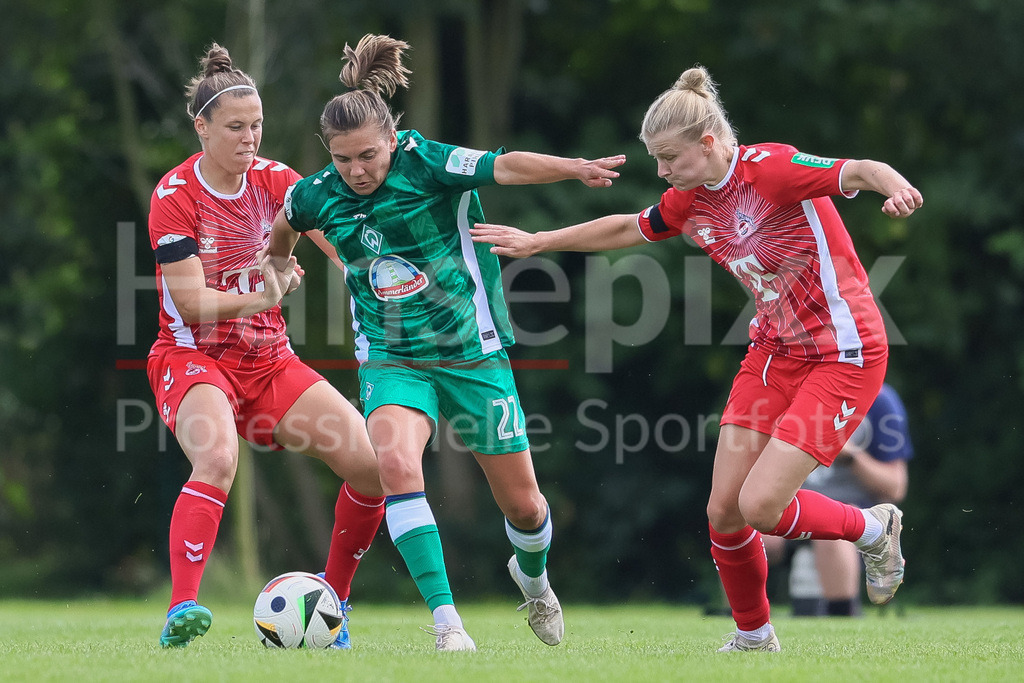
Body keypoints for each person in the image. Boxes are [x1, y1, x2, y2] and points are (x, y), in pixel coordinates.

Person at [470, 64, 923, 653]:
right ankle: (755, 638)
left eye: (669, 158)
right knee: (724, 512)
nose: (662, 172)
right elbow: (627, 228)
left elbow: (859, 169)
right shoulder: (690, 198)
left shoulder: (774, 170)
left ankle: (872, 527)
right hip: (772, 351)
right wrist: (539, 242)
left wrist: (896, 187)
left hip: (844, 354)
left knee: (761, 505)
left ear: (708, 143)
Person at [266, 34, 625, 651]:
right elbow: (283, 229)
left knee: (526, 509)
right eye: (345, 159)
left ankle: (533, 580)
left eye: (369, 156)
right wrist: (278, 267)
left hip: (472, 350)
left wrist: (574, 168)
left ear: (391, 138)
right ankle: (446, 623)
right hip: (392, 355)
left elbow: (502, 164)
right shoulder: (314, 192)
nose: (358, 171)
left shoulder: (424, 160)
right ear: (329, 153)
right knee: (397, 465)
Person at [147, 44, 386, 649]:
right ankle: (182, 609)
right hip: (192, 357)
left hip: (268, 361)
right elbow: (194, 304)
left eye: (256, 125)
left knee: (371, 466)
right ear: (200, 127)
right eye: (235, 127)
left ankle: (333, 606)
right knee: (218, 459)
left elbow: (337, 240)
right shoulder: (174, 196)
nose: (249, 137)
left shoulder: (278, 180)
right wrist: (262, 295)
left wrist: (373, 279)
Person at [763, 382, 913, 616]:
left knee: (831, 532)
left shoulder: (880, 400)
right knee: (748, 529)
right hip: (794, 502)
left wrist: (850, 456)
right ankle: (742, 617)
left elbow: (896, 486)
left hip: (854, 505)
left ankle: (842, 616)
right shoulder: (785, 395)